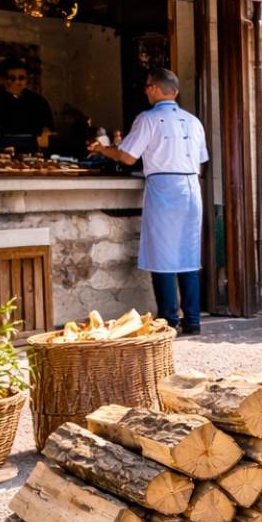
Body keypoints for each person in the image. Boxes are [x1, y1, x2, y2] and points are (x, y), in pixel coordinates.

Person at [88, 68, 208, 335]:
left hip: (164, 187)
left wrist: (102, 149)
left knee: (162, 256)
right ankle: (193, 320)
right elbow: (201, 159)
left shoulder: (147, 119)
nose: (145, 91)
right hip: (191, 186)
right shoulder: (194, 122)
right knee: (188, 254)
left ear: (154, 88)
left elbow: (127, 157)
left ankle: (169, 320)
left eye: (146, 86)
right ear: (175, 91)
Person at [0, 59, 54, 151]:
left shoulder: (39, 102)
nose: (17, 82)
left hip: (32, 152)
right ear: (2, 79)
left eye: (21, 78)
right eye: (12, 78)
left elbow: (47, 133)